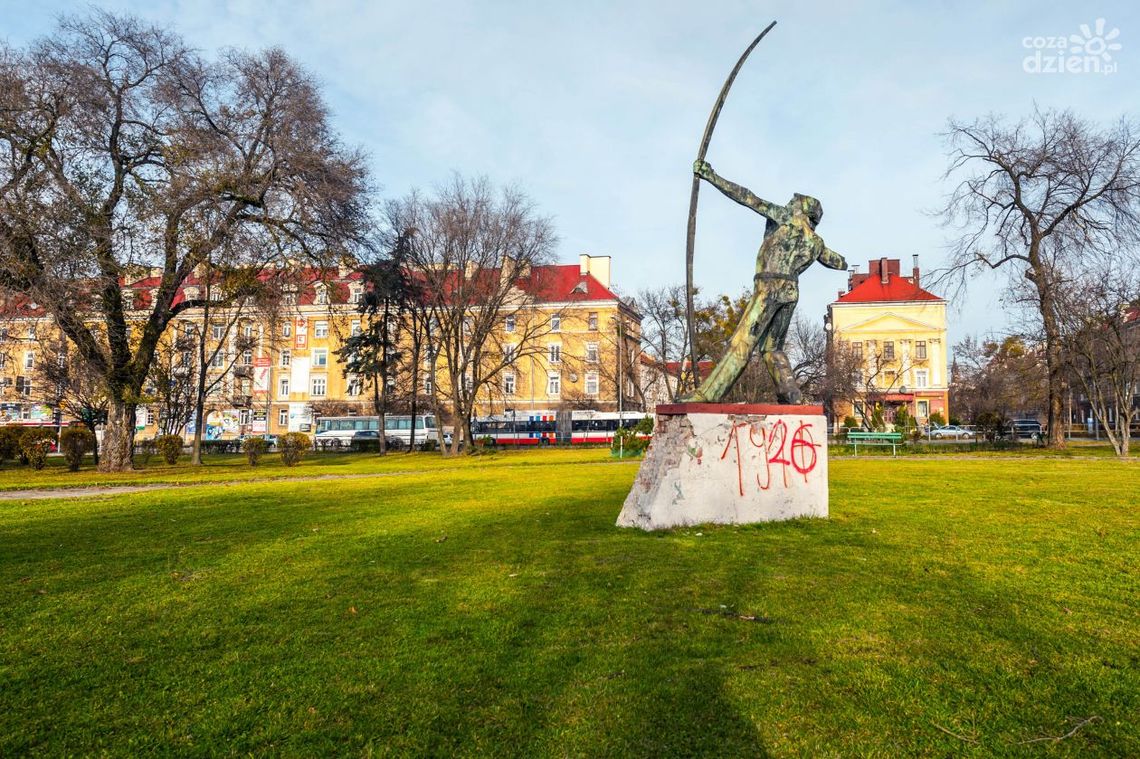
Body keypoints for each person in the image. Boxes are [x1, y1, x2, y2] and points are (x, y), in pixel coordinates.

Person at [686, 160, 847, 404]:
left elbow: (747, 198)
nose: (790, 203)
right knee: (772, 348)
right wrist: (845, 262)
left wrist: (711, 176)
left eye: (794, 202)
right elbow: (834, 261)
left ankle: (707, 395)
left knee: (742, 342)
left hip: (769, 288)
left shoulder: (785, 218)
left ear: (802, 211)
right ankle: (791, 396)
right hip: (791, 292)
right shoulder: (816, 242)